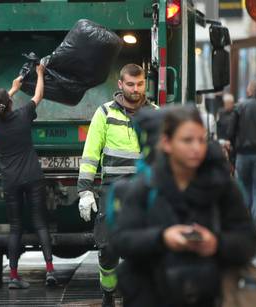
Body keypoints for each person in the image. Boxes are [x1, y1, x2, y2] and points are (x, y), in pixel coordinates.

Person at [115, 106, 256, 307]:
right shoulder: (146, 186)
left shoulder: (223, 186)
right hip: (154, 296)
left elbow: (248, 239)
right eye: (187, 140)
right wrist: (163, 238)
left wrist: (216, 243)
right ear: (166, 143)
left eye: (201, 140)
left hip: (212, 297)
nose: (197, 148)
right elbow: (122, 240)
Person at [77, 64, 157, 306]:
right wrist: (84, 190)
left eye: (140, 84)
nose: (136, 89)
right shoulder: (104, 114)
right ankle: (108, 292)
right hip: (113, 189)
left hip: (145, 189)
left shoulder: (155, 113)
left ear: (145, 83)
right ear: (120, 85)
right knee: (109, 247)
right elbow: (91, 153)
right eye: (130, 84)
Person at [0, 64, 56, 289]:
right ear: (10, 102)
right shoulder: (24, 114)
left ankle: (14, 277)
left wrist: (12, 90)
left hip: (11, 180)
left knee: (16, 227)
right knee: (40, 223)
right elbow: (39, 95)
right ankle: (50, 272)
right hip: (33, 176)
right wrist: (38, 74)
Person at [227, 80, 256, 226]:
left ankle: (245, 225)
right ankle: (254, 226)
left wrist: (232, 152)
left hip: (243, 154)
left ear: (249, 91)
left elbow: (230, 132)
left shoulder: (240, 107)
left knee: (244, 188)